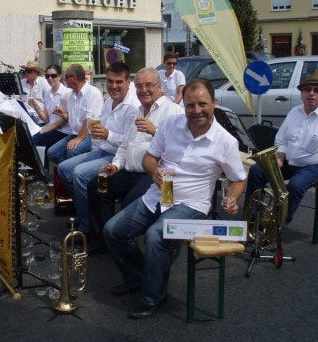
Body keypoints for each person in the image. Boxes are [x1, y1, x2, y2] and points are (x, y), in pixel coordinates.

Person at [104, 79, 246, 319]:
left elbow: (238, 179)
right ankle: (141, 277)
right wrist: (154, 170)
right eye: (191, 105)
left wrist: (231, 198)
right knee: (112, 231)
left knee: (155, 236)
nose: (197, 111)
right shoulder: (171, 124)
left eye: (203, 104)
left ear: (214, 103)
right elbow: (150, 157)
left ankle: (153, 297)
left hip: (191, 205)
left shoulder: (225, 141)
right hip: (158, 195)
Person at [87, 67, 183, 251]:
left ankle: (128, 250)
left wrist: (155, 131)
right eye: (139, 86)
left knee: (128, 206)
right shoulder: (138, 111)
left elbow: (180, 149)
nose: (143, 90)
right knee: (97, 187)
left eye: (149, 85)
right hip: (129, 172)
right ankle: (105, 240)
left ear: (160, 86)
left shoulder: (173, 111)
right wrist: (115, 165)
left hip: (153, 176)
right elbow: (125, 145)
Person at [57, 62, 138, 236]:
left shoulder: (133, 107)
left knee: (79, 173)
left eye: (119, 82)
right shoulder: (108, 101)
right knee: (63, 168)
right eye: (110, 81)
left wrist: (107, 134)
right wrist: (96, 139)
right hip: (102, 150)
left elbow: (130, 144)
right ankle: (87, 212)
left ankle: (87, 228)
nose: (113, 86)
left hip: (118, 157)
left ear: (128, 82)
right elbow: (98, 131)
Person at [245, 69, 318, 224]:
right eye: (307, 89)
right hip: (287, 162)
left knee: (296, 185)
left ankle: (278, 224)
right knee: (256, 171)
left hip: (312, 166)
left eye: (316, 90)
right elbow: (281, 138)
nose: (311, 93)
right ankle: (250, 218)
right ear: (302, 93)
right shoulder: (294, 111)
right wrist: (280, 157)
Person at [47, 64, 103, 163]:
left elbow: (90, 120)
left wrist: (79, 138)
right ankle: (67, 171)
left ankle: (76, 173)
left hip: (90, 135)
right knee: (52, 152)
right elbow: (72, 118)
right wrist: (63, 114)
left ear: (74, 78)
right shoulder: (71, 94)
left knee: (72, 151)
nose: (64, 80)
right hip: (75, 133)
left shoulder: (93, 93)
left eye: (66, 77)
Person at [30, 64, 71, 152]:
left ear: (60, 77)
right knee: (29, 137)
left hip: (63, 131)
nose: (50, 78)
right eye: (47, 76)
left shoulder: (67, 93)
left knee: (36, 140)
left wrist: (46, 129)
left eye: (53, 76)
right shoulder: (48, 94)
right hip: (51, 128)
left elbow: (66, 119)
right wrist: (37, 108)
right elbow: (46, 118)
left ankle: (42, 165)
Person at [20, 60, 49, 125]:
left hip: (40, 118)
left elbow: (49, 100)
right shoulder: (21, 83)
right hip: (25, 118)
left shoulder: (43, 82)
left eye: (29, 71)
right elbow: (16, 99)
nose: (26, 73)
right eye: (26, 71)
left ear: (36, 73)